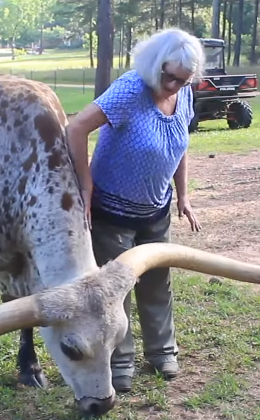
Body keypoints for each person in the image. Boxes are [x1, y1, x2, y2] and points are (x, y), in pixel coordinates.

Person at [66, 28, 205, 393]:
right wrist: (85, 183)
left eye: (183, 79)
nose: (174, 85)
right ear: (154, 64)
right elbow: (77, 127)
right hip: (112, 214)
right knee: (115, 291)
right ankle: (120, 361)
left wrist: (183, 196)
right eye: (169, 76)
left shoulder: (184, 95)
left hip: (155, 212)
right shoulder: (131, 89)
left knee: (159, 283)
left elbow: (178, 145)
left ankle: (163, 352)